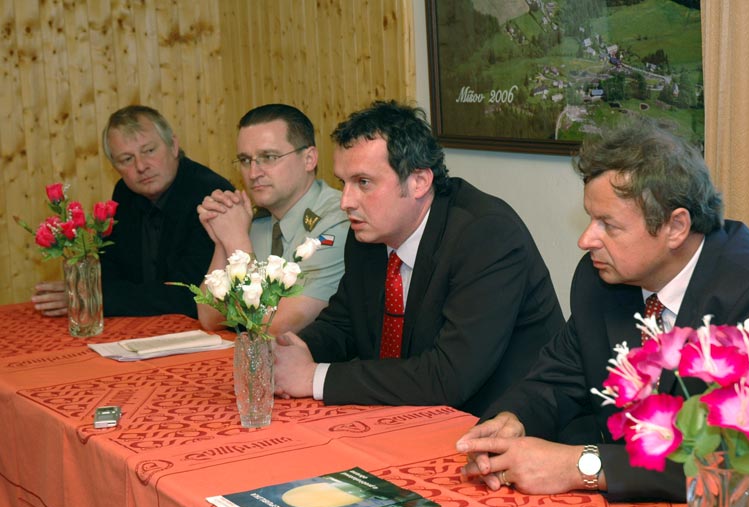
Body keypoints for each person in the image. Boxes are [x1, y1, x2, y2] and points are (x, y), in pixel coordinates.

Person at [455, 118, 749, 507]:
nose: (586, 240)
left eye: (608, 225)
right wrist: (513, 420)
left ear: (676, 226)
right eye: (590, 219)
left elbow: (738, 464)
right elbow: (556, 380)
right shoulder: (600, 279)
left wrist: (579, 466)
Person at [272, 100, 565, 417]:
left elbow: (449, 376)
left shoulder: (485, 235)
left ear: (419, 182)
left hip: (504, 421)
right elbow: (344, 324)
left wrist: (313, 377)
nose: (346, 202)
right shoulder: (368, 234)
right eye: (343, 183)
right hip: (409, 415)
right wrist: (290, 352)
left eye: (363, 183)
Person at [32, 105, 234, 318]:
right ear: (115, 167)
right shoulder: (125, 192)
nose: (141, 166)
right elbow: (110, 272)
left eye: (149, 151)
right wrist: (86, 289)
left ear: (173, 146)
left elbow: (189, 295)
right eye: (127, 159)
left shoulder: (211, 195)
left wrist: (96, 297)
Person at [196, 104, 348, 334]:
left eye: (268, 157)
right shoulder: (255, 221)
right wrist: (223, 237)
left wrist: (237, 242)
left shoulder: (336, 221)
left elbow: (276, 326)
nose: (253, 173)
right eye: (245, 160)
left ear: (309, 159)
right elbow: (211, 318)